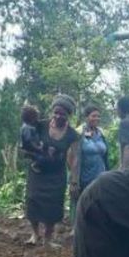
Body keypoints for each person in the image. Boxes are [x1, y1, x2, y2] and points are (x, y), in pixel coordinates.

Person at [24, 94, 80, 247]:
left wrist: (74, 180)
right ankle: (35, 234)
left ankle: (48, 238)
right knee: (33, 200)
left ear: (68, 115)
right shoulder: (41, 125)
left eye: (62, 113)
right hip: (37, 172)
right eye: (55, 112)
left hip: (57, 175)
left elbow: (74, 159)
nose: (57, 116)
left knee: (53, 205)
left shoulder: (73, 135)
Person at [78, 104, 109, 192]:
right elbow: (72, 158)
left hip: (101, 179)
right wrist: (75, 181)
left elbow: (105, 157)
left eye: (98, 116)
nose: (97, 118)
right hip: (85, 180)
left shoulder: (101, 133)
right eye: (93, 116)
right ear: (86, 117)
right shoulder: (79, 133)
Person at [19, 104, 49, 173]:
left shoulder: (31, 126)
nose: (38, 119)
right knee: (43, 159)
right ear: (31, 117)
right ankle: (35, 164)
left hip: (34, 148)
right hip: (30, 150)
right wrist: (38, 148)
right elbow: (29, 142)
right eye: (36, 117)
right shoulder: (27, 128)